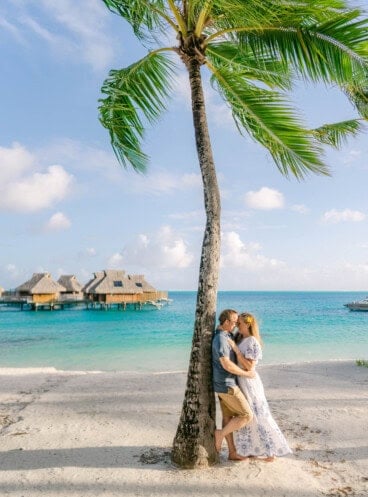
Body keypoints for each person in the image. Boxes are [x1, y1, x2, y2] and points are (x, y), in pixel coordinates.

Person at [229, 312, 292, 462]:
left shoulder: (252, 341)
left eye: (240, 323)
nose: (237, 325)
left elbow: (249, 366)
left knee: (259, 414)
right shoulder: (239, 338)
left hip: (250, 382)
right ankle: (251, 449)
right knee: (247, 416)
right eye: (237, 323)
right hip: (240, 381)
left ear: (248, 324)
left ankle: (271, 452)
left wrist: (237, 352)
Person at [212, 309, 255, 461]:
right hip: (227, 385)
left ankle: (232, 452)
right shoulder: (221, 339)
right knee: (247, 415)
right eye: (234, 322)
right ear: (226, 322)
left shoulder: (226, 335)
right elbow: (227, 365)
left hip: (222, 385)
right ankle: (220, 434)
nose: (236, 325)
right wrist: (246, 374)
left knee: (228, 418)